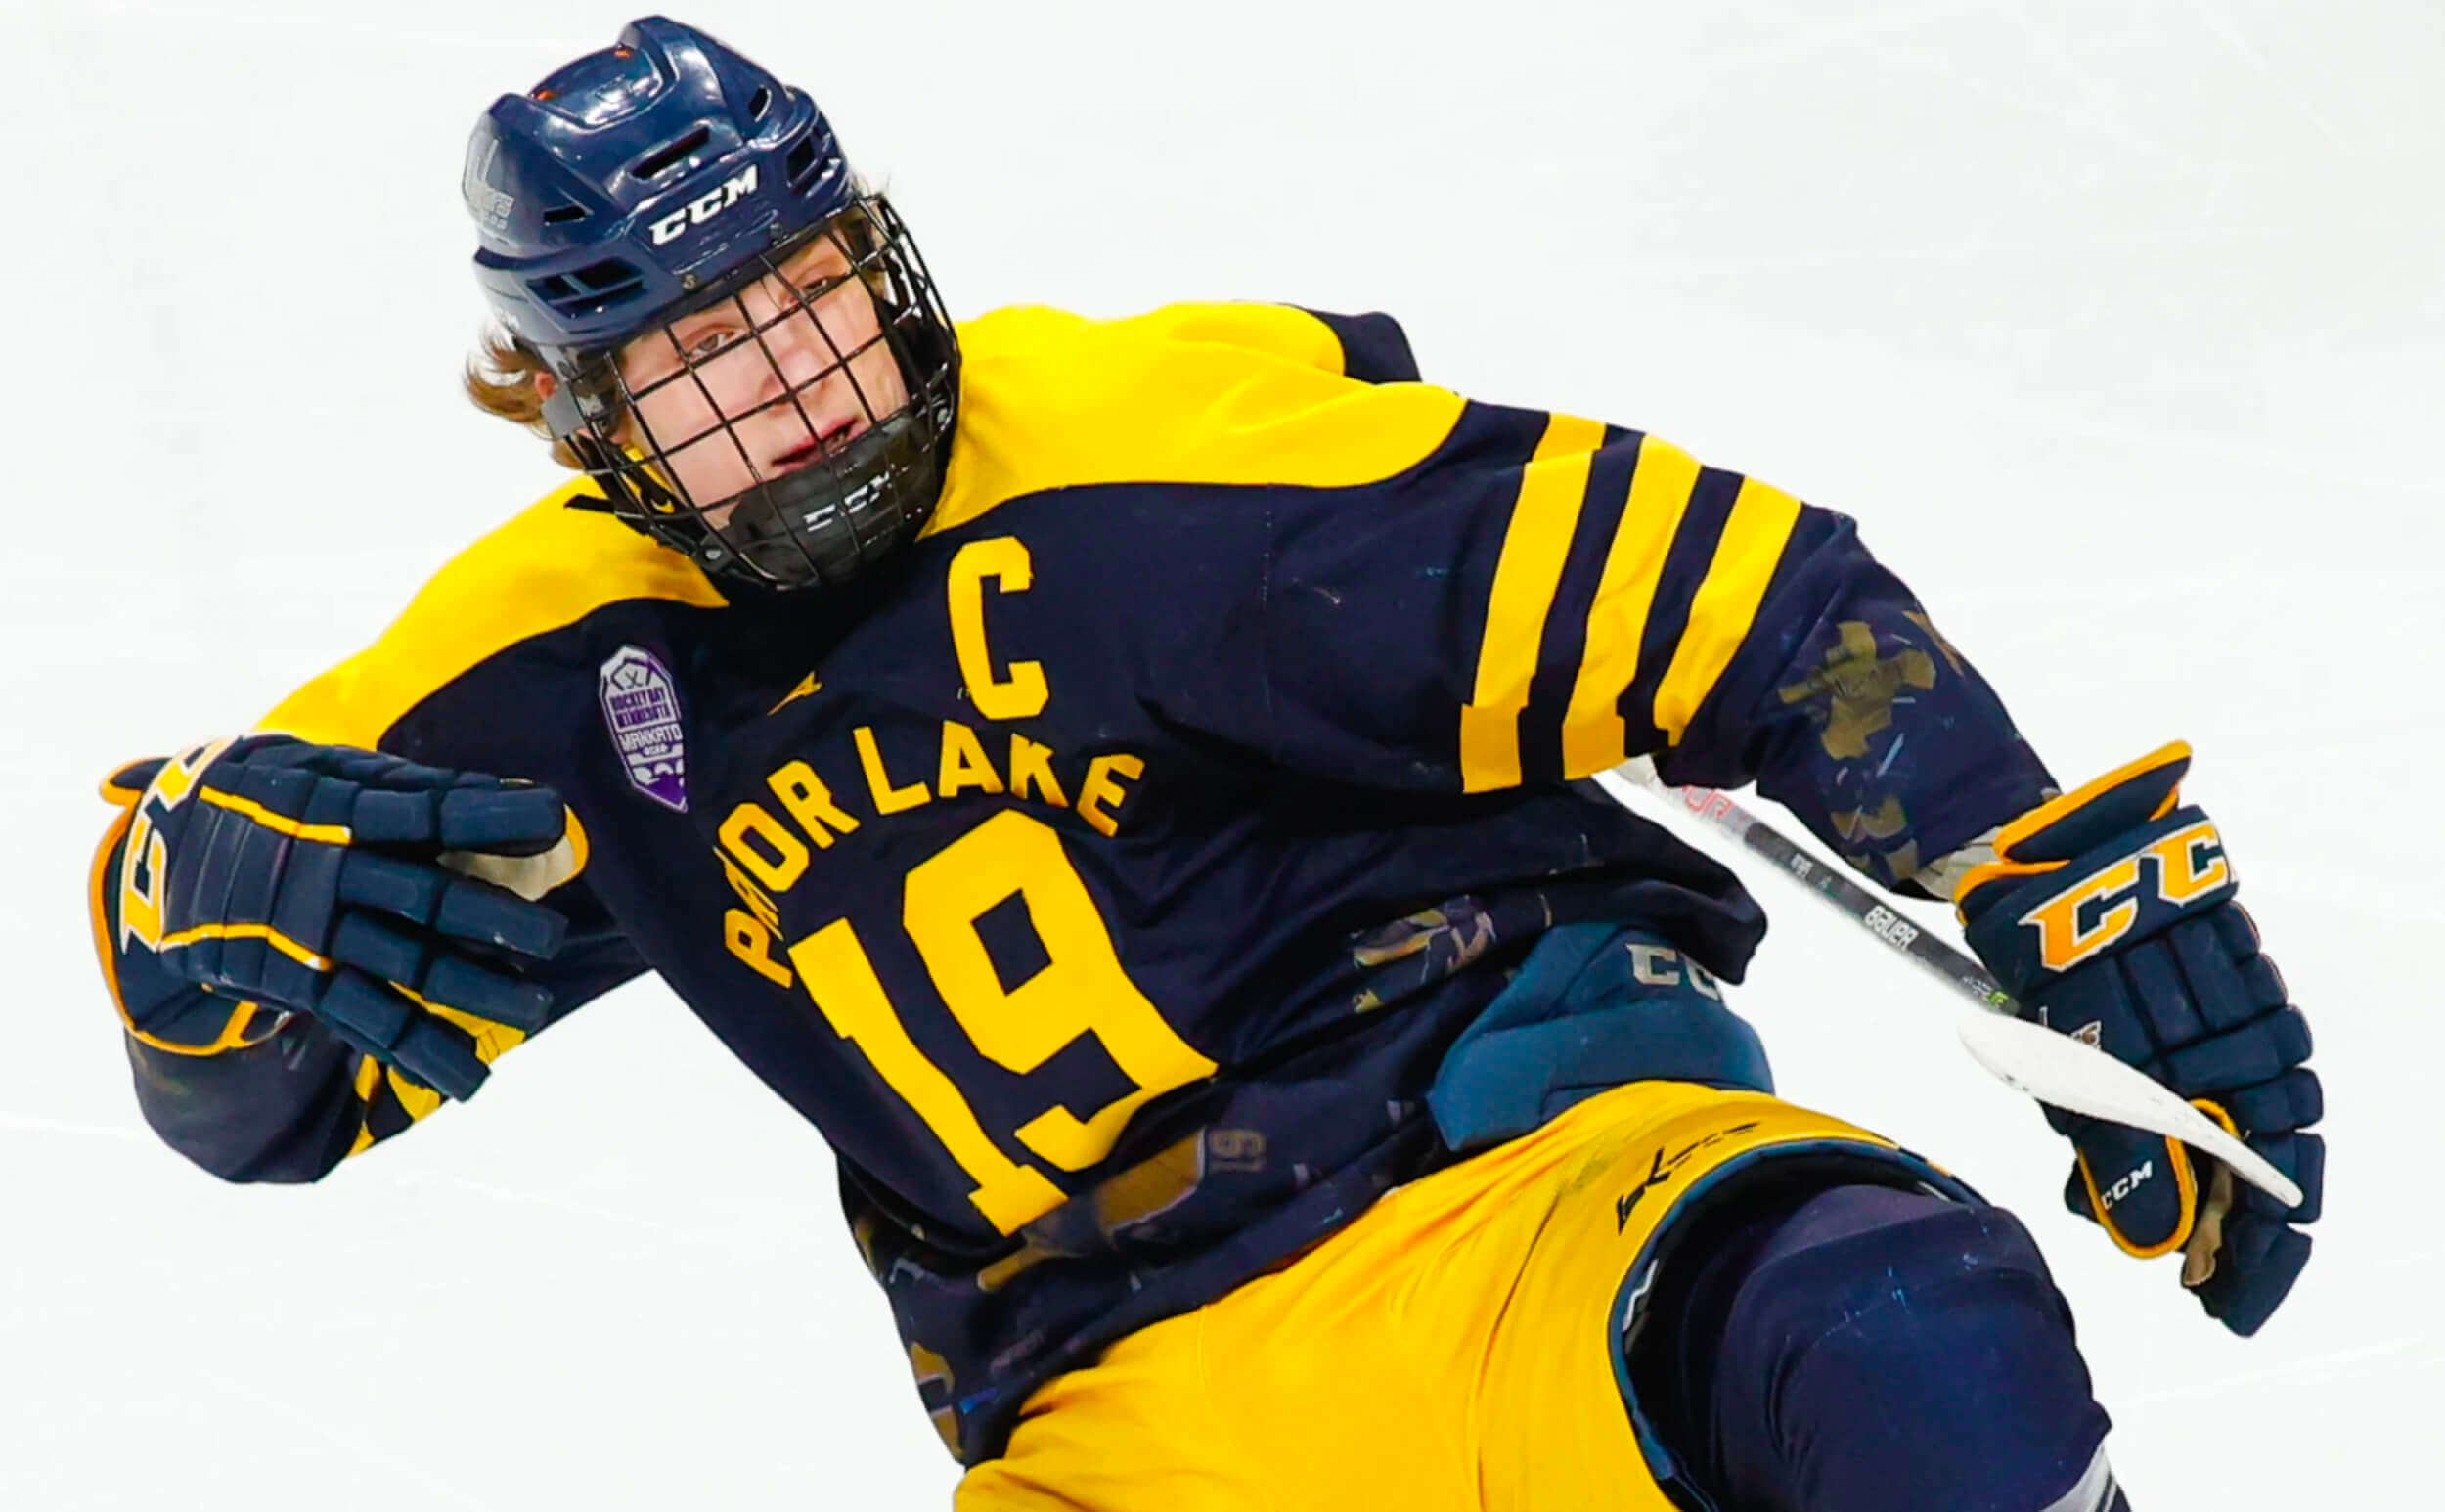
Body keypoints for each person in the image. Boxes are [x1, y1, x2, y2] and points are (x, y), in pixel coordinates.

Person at [87, 17, 2324, 1511]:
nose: (805, 395)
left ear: (880, 254)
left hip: (1525, 1203)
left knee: (1891, 1330)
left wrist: (2054, 867)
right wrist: (180, 943)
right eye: (701, 363)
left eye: (810, 302)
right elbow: (264, 1091)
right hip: (1114, 1413)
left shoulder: (1151, 456)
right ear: (574, 411)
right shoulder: (556, 672)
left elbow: (1731, 596)